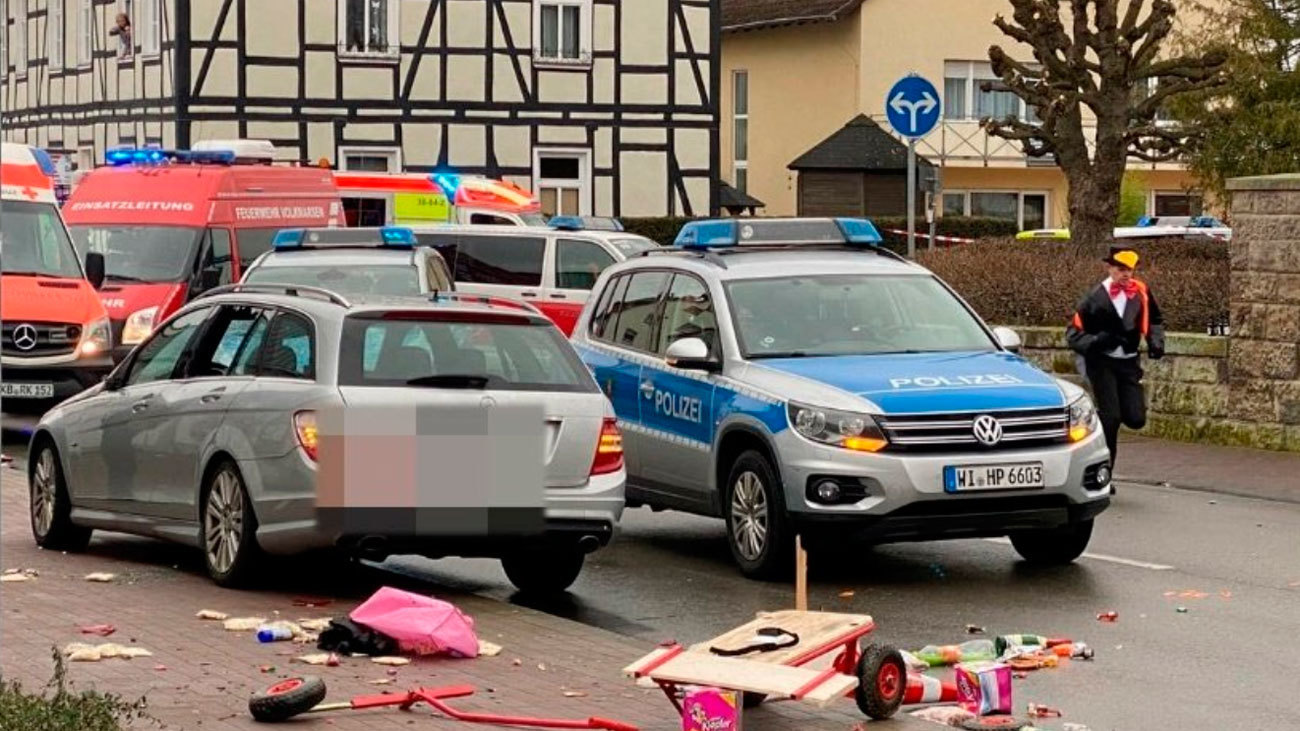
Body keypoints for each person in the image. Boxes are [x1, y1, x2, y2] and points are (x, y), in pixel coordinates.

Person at [1066, 246, 1165, 470]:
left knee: (1135, 418)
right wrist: (1098, 340)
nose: (1126, 274)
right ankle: (1104, 471)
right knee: (1111, 418)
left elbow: (1155, 319)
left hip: (1129, 362)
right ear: (1109, 268)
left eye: (1129, 269)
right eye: (1121, 269)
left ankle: (1095, 425)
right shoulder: (1094, 297)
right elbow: (1073, 335)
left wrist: (1156, 342)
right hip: (1101, 363)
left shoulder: (1141, 291)